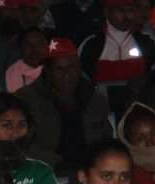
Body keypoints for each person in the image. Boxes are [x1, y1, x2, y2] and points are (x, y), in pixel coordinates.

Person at [21, 36, 113, 168]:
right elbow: (22, 143)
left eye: (71, 67)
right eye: (59, 69)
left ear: (79, 68)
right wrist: (55, 162)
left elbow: (106, 138)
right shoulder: (27, 99)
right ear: (48, 71)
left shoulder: (94, 99)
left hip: (91, 168)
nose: (67, 74)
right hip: (48, 169)